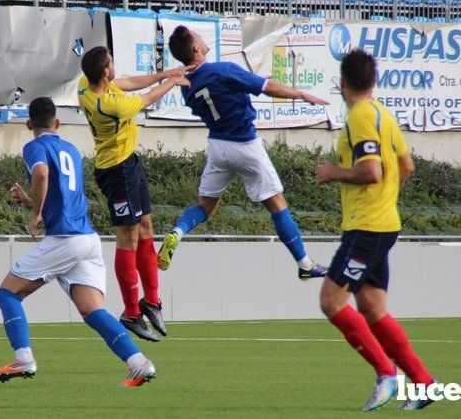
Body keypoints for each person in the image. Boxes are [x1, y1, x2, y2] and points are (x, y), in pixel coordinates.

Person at [0, 97, 156, 387]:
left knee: (7, 295)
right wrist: (32, 201)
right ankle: (139, 364)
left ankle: (24, 358)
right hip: (87, 240)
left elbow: (41, 173)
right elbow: (63, 194)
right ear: (57, 123)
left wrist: (36, 213)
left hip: (65, 238)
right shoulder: (72, 150)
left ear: (29, 124)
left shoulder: (34, 146)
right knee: (92, 310)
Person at [315, 49, 436, 411]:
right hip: (384, 224)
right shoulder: (384, 112)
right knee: (371, 308)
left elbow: (372, 172)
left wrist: (334, 172)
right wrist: (386, 199)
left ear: (342, 82)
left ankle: (386, 373)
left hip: (366, 228)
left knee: (330, 301)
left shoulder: (360, 116)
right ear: (374, 80)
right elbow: (407, 166)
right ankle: (424, 383)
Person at [158, 25, 328, 280]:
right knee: (277, 205)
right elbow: (267, 87)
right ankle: (304, 264)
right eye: (199, 36)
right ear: (196, 48)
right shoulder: (223, 69)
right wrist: (301, 94)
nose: (203, 39)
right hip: (245, 145)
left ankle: (178, 231)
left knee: (205, 206)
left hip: (218, 147)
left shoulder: (186, 85)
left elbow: (219, 95)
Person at [79, 46, 190, 342]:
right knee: (127, 238)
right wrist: (171, 82)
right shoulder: (111, 105)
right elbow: (145, 98)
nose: (115, 67)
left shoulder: (85, 85)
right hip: (116, 172)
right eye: (112, 63)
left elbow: (128, 82)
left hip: (129, 164)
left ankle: (151, 302)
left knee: (146, 229)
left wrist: (165, 73)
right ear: (104, 72)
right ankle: (131, 312)